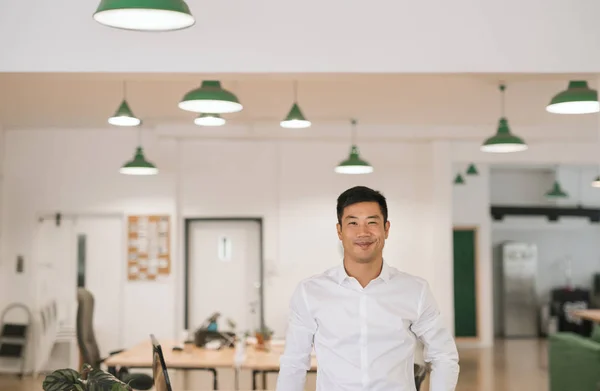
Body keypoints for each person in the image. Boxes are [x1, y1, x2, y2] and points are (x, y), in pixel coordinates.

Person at [276, 186, 459, 391]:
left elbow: (444, 355)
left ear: (386, 229)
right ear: (339, 231)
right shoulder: (310, 292)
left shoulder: (415, 291)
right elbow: (294, 363)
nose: (363, 232)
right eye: (353, 223)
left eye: (372, 222)